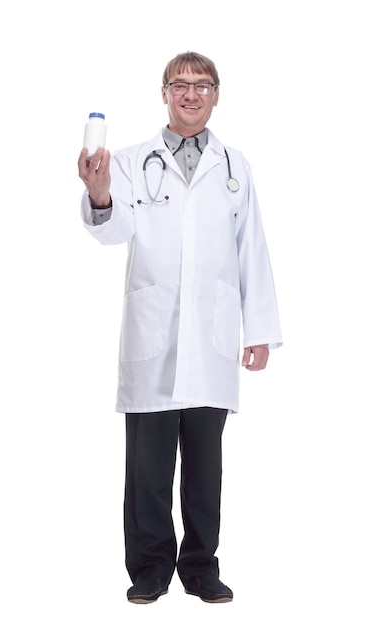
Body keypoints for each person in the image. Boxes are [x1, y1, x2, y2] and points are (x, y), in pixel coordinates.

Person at [78, 51, 282, 604]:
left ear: (217, 94)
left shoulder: (235, 166)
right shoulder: (126, 160)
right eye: (180, 84)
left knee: (205, 466)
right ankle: (149, 569)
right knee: (147, 467)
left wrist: (258, 329)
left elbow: (251, 249)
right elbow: (113, 229)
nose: (191, 94)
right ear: (164, 92)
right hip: (154, 334)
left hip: (213, 338)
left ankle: (200, 566)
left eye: (202, 84)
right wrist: (99, 192)